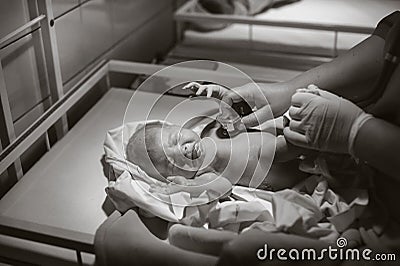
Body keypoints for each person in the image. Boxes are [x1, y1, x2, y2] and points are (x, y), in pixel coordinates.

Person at [166, 10, 400, 265]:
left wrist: (354, 132)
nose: (179, 143)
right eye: (164, 155)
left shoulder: (225, 137)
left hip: (336, 170)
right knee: (271, 238)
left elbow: (251, 129)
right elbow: (391, 46)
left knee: (322, 236)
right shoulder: (207, 175)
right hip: (320, 177)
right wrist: (287, 91)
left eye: (176, 135)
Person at [126, 101, 307, 197]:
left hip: (282, 141)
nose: (183, 151)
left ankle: (310, 137)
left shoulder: (211, 130)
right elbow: (224, 187)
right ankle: (310, 141)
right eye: (172, 164)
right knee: (274, 151)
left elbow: (237, 118)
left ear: (179, 127)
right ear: (172, 177)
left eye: (177, 140)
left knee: (276, 145)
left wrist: (229, 108)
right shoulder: (204, 175)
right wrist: (189, 186)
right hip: (288, 173)